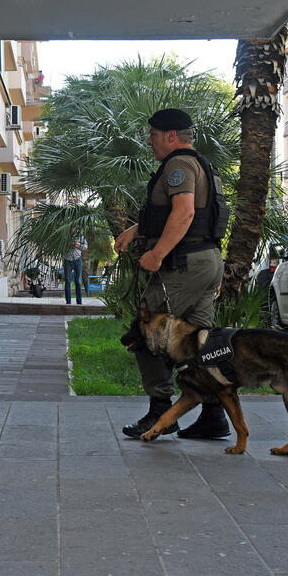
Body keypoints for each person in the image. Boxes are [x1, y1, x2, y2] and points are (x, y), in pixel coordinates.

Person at [115, 108, 230, 440]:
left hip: (182, 263)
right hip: (206, 261)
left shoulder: (178, 165)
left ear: (170, 136)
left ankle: (160, 413)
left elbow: (185, 211)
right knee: (198, 343)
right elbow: (188, 216)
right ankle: (213, 414)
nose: (149, 141)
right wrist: (138, 231)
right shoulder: (199, 163)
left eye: (152, 135)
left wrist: (157, 253)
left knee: (146, 333)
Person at [63, 232, 87, 304]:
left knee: (78, 281)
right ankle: (68, 302)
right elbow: (59, 245)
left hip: (77, 259)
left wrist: (78, 244)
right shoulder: (65, 233)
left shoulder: (80, 234)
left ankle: (79, 301)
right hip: (67, 259)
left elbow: (85, 246)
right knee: (67, 281)